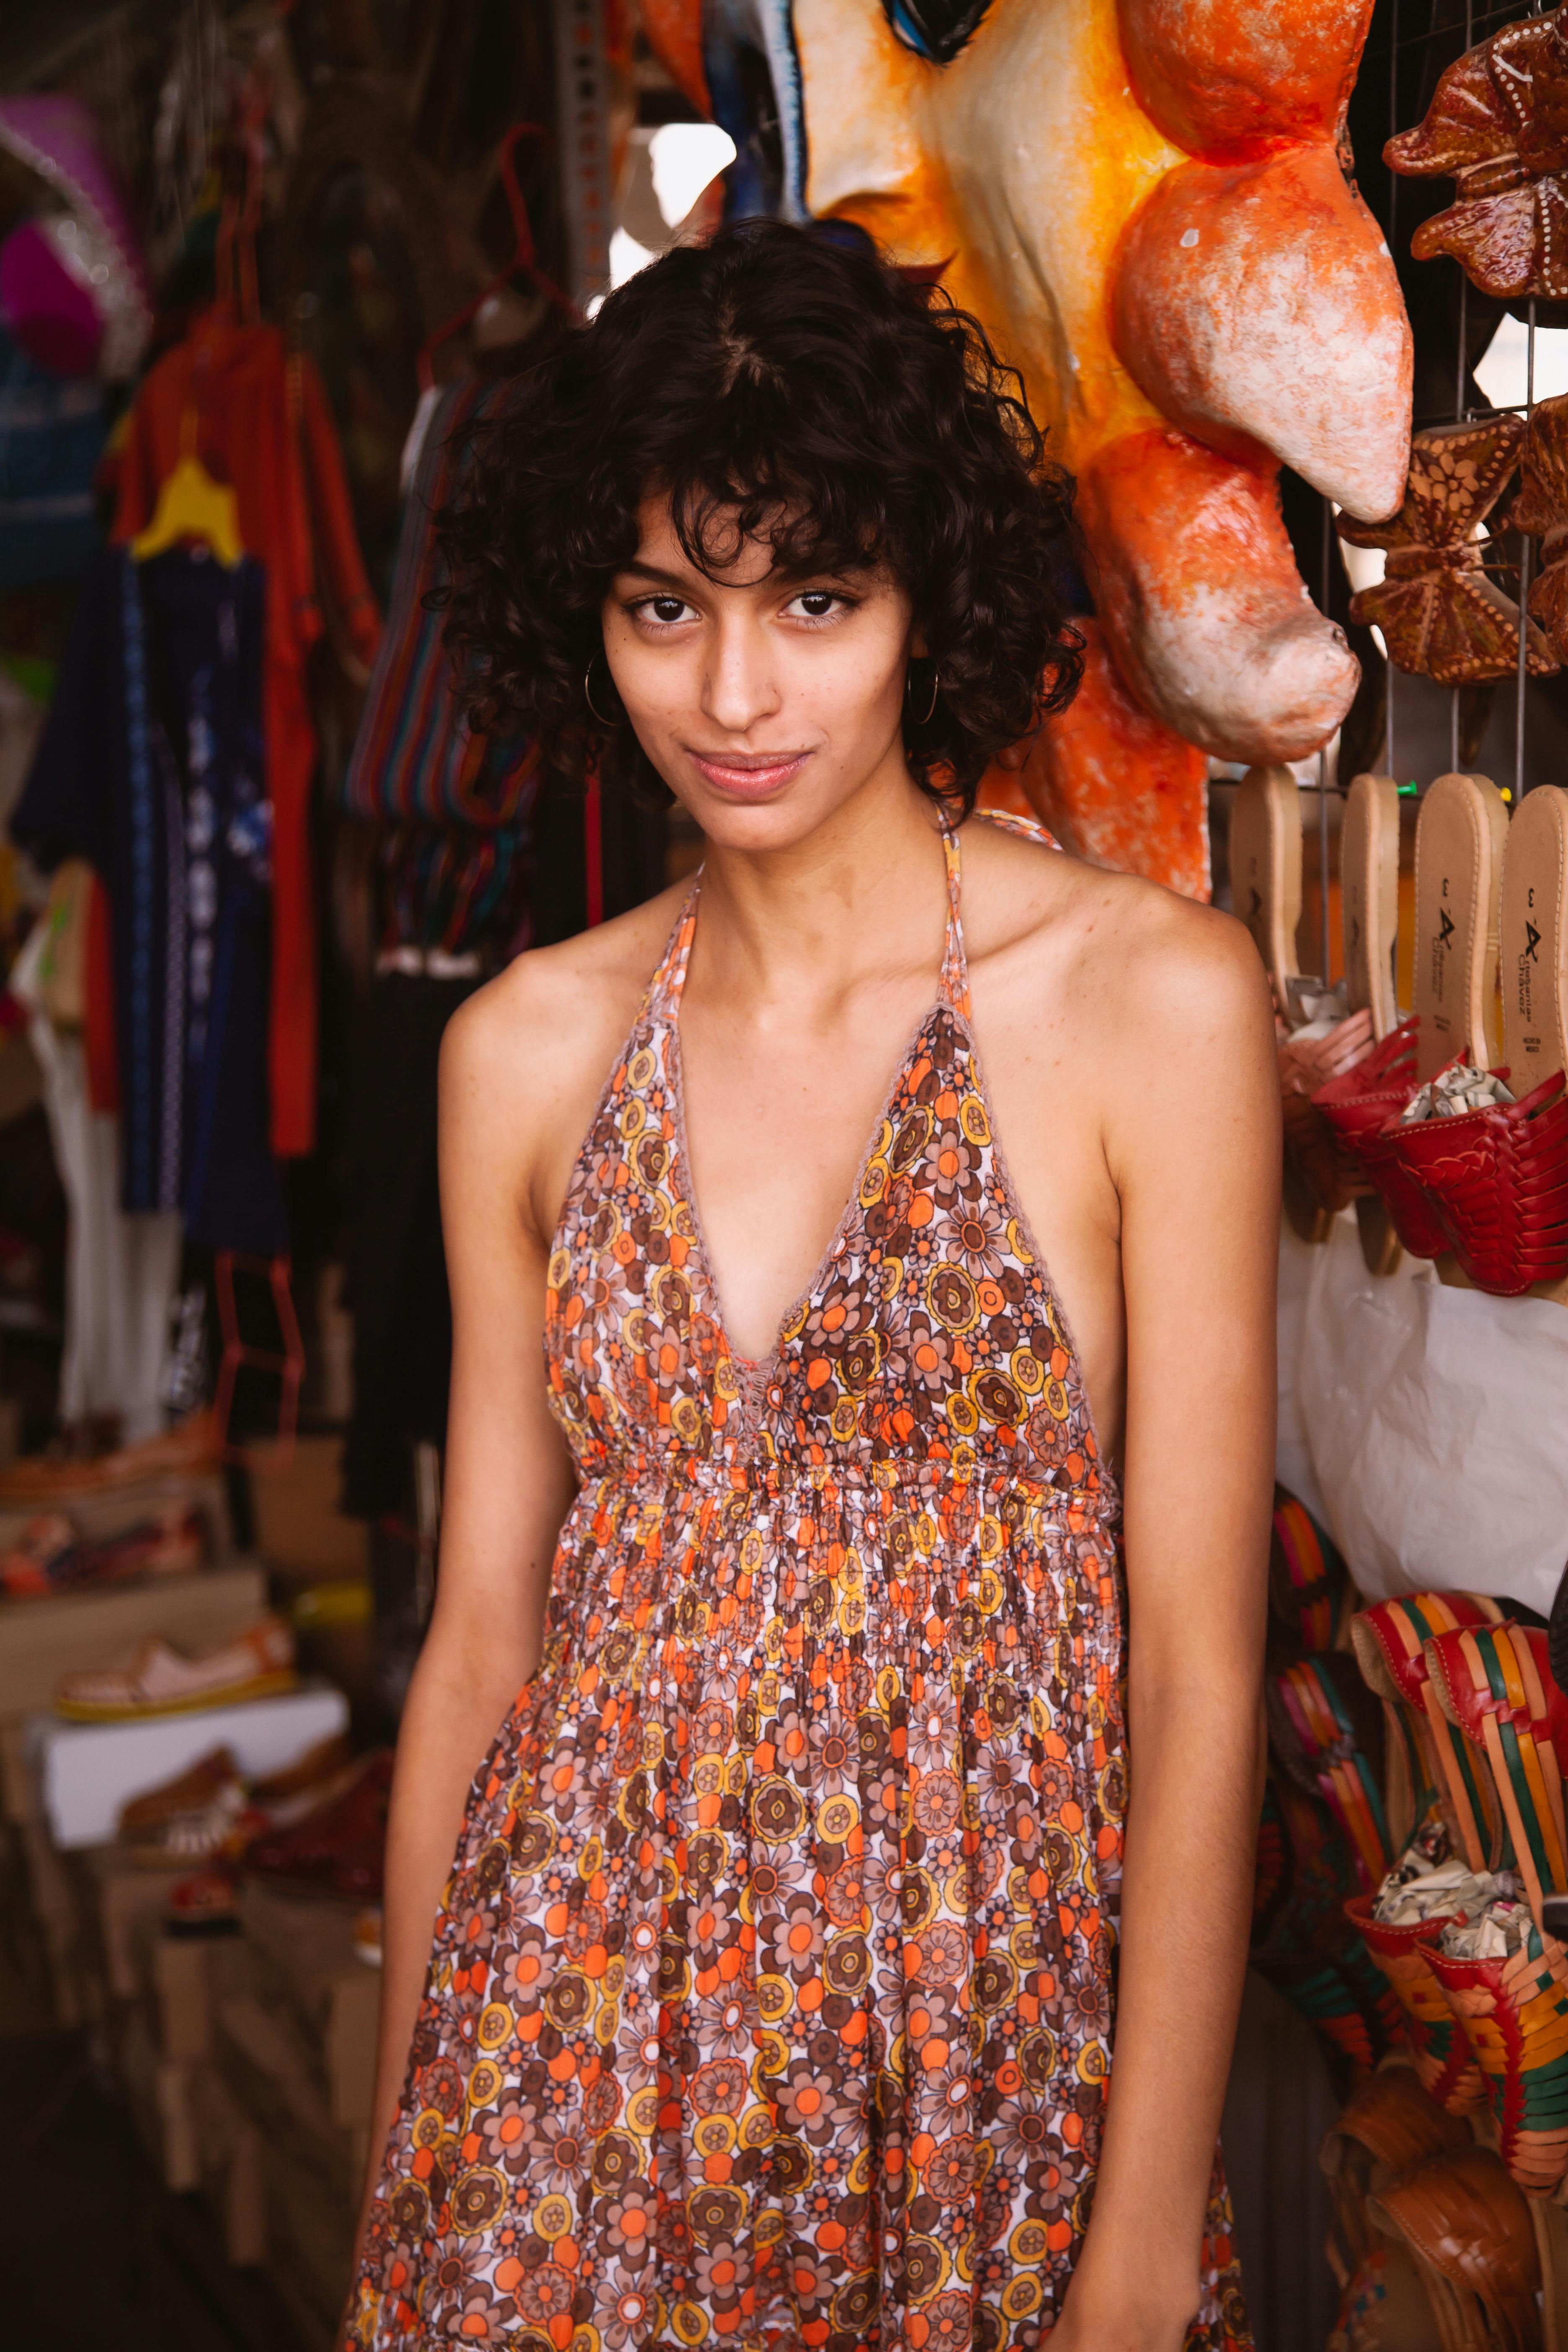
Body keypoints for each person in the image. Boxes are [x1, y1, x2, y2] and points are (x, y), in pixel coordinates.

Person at [344, 220, 1274, 2352]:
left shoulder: (1148, 1005)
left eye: (814, 602)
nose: (737, 696)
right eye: (666, 608)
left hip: (981, 2088)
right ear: (588, 612)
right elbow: (483, 1648)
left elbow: (1198, 1668)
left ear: (924, 595)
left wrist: (1141, 2238)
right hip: (562, 2082)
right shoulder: (527, 1052)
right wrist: (412, 2189)